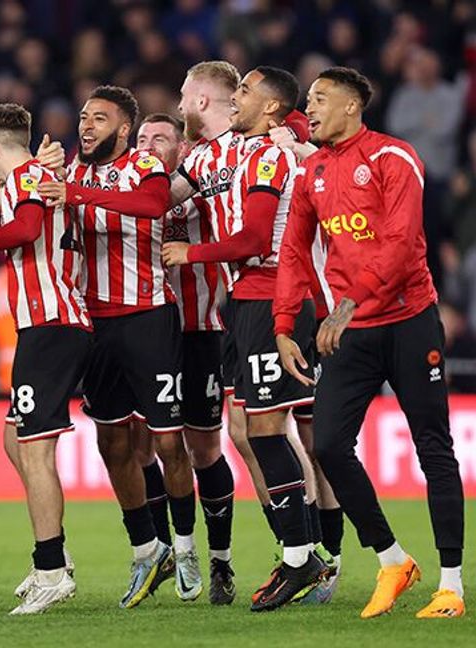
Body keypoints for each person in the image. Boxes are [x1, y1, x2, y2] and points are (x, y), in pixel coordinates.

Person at [274, 66, 466, 619]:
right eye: (308, 100)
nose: (309, 109)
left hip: (407, 320)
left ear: (353, 106)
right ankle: (393, 559)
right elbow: (292, 252)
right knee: (330, 446)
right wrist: (285, 324)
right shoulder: (310, 172)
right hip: (350, 329)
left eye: (320, 99)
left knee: (433, 447)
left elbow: (404, 242)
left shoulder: (392, 158)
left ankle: (451, 582)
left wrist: (350, 301)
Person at [166, 65, 327, 611]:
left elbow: (257, 235)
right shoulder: (244, 149)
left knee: (268, 431)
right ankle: (304, 555)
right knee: (248, 428)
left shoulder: (271, 154)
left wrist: (193, 253)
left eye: (245, 91)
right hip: (247, 301)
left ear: (272, 109)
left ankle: (305, 558)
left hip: (271, 296)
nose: (235, 98)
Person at [38, 85, 189, 609]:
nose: (86, 125)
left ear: (124, 129)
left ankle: (188, 547)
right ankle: (148, 548)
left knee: (169, 443)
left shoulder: (144, 165)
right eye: (83, 116)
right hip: (93, 322)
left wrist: (75, 195)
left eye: (99, 119)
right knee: (112, 444)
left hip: (148, 315)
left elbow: (151, 205)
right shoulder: (69, 171)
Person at [0, 103, 92, 615]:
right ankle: (52, 555)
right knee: (14, 439)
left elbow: (22, 230)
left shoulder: (26, 178)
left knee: (36, 449)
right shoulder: (40, 174)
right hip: (45, 324)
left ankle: (51, 570)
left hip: (51, 324)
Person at [133, 112, 236, 605]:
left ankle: (219, 560)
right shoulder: (127, 186)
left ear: (182, 147)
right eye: (141, 138)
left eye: (160, 138)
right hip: (144, 330)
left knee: (203, 449)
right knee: (141, 444)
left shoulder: (199, 183)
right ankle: (165, 551)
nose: (148, 145)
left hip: (198, 331)